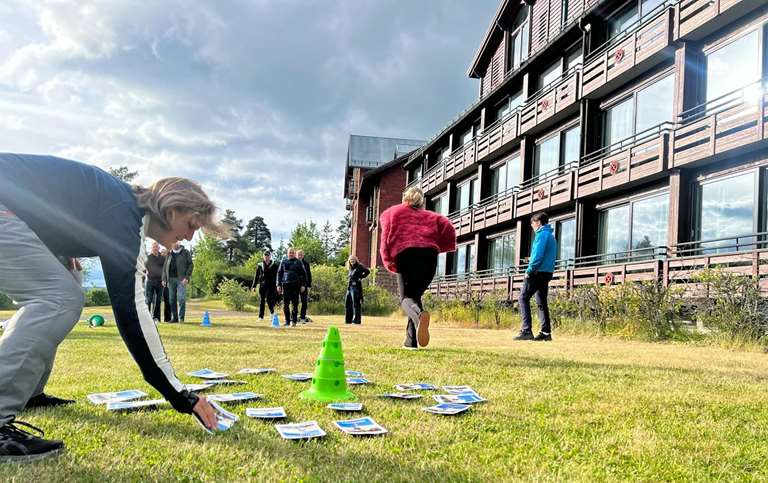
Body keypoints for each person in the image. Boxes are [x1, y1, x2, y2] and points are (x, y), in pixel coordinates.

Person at [0, 154, 221, 462]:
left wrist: (59, 245)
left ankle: (29, 393)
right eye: (191, 225)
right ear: (171, 209)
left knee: (68, 283)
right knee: (60, 297)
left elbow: (48, 201)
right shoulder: (124, 216)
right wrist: (181, 396)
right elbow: (132, 314)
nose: (189, 236)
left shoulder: (121, 206)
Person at [380, 187, 456, 350]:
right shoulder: (433, 217)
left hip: (406, 254)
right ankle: (411, 342)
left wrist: (388, 260)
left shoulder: (392, 213)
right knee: (415, 297)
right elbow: (449, 227)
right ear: (422, 202)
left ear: (405, 198)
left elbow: (385, 240)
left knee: (406, 299)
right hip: (430, 257)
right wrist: (439, 246)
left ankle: (420, 316)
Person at [514, 212, 557, 342]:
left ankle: (526, 330)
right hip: (547, 273)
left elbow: (538, 256)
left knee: (523, 298)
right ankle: (545, 332)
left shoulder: (541, 235)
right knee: (541, 302)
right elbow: (545, 255)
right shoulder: (551, 236)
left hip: (537, 272)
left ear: (538, 222)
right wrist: (531, 259)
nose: (532, 226)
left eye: (532, 224)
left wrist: (529, 270)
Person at [163, 241, 193, 323]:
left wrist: (187, 277)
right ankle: (174, 318)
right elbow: (165, 267)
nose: (173, 244)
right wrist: (164, 279)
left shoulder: (185, 252)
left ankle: (181, 318)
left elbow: (190, 265)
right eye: (172, 243)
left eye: (175, 242)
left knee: (181, 298)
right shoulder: (169, 253)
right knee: (171, 299)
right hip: (170, 279)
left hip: (181, 279)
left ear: (179, 243)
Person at [277, 248, 306, 327]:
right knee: (285, 304)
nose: (291, 254)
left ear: (294, 253)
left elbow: (304, 275)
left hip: (296, 285)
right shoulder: (283, 261)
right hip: (285, 285)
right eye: (290, 252)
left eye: (292, 253)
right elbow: (279, 273)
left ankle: (294, 321)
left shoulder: (299, 262)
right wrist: (278, 285)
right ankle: (287, 321)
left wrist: (303, 285)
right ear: (287, 253)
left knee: (295, 304)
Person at [344, 255, 370, 325]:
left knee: (356, 304)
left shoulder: (359, 266)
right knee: (348, 304)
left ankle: (356, 321)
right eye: (351, 260)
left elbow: (367, 271)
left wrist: (361, 277)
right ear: (349, 261)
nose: (352, 261)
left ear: (356, 260)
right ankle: (348, 320)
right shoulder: (350, 268)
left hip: (356, 287)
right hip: (349, 288)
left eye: (353, 259)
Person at [252, 251, 278, 320]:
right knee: (262, 300)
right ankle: (261, 316)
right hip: (263, 285)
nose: (266, 257)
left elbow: (277, 276)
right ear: (263, 256)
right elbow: (256, 276)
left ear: (270, 256)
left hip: (271, 285)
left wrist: (278, 285)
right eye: (265, 255)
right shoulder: (260, 265)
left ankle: (272, 313)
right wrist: (254, 286)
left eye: (268, 255)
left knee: (269, 300)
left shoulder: (274, 265)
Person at [144, 242, 165, 322]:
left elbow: (165, 270)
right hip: (150, 281)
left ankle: (156, 318)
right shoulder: (147, 258)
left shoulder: (162, 258)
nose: (155, 248)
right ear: (152, 248)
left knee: (158, 301)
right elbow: (143, 267)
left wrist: (164, 279)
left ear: (159, 248)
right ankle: (147, 317)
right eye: (154, 247)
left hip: (160, 282)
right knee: (148, 300)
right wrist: (145, 271)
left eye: (156, 247)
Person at [296, 249, 312, 323]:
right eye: (298, 255)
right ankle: (294, 316)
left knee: (304, 301)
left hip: (304, 285)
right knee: (295, 301)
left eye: (301, 255)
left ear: (303, 255)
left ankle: (303, 317)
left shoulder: (306, 264)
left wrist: (309, 286)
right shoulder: (293, 263)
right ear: (296, 255)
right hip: (295, 285)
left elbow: (309, 275)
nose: (300, 256)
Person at [160, 247, 172, 322]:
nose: (163, 254)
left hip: (167, 283)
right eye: (162, 252)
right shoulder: (158, 260)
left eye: (165, 252)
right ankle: (156, 317)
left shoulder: (168, 259)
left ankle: (167, 318)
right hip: (158, 283)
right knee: (157, 301)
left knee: (168, 301)